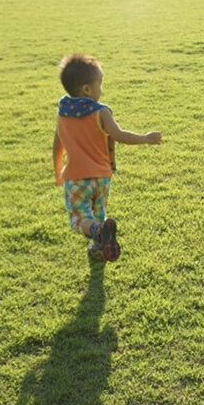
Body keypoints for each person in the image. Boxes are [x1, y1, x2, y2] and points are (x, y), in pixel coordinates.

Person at [53, 54, 162, 261]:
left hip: (76, 178)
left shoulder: (63, 114)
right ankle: (98, 247)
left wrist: (58, 170)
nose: (101, 89)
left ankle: (97, 231)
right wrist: (146, 138)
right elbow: (120, 135)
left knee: (80, 219)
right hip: (102, 177)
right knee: (98, 215)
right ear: (87, 89)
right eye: (99, 84)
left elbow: (58, 145)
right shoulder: (101, 112)